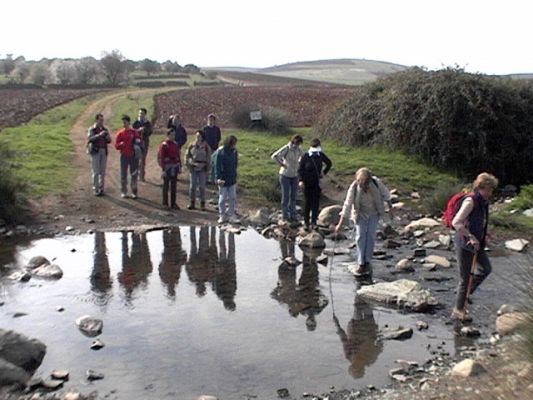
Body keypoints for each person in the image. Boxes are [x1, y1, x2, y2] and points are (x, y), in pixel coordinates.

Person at [451, 172, 498, 322]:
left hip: (478, 243)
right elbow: (456, 222)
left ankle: (466, 293)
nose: (491, 193)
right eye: (489, 189)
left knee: (486, 269)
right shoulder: (470, 201)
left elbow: (479, 221)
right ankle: (458, 310)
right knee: (465, 278)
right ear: (481, 187)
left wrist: (486, 233)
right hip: (465, 244)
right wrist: (470, 236)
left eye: (492, 190)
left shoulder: (483, 201)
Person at [335, 168, 391, 277]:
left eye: (366, 184)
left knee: (370, 236)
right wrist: (340, 224)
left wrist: (391, 207)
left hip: (374, 213)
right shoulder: (354, 187)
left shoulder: (376, 182)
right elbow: (347, 205)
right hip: (360, 214)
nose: (365, 186)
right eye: (362, 184)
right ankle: (361, 263)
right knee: (360, 236)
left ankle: (367, 261)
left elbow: (386, 194)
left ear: (370, 180)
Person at [298, 138, 332, 230]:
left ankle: (314, 222)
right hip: (307, 182)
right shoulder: (305, 156)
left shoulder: (320, 155)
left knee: (316, 203)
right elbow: (300, 169)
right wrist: (301, 180)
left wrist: (324, 173)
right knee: (307, 202)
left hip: (317, 182)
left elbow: (329, 163)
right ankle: (306, 222)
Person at [271, 134, 305, 221]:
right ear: (293, 141)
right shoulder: (286, 148)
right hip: (285, 175)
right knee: (286, 196)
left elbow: (304, 157)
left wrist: (301, 163)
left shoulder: (299, 150)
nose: (297, 145)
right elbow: (275, 156)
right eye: (297, 143)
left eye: (299, 144)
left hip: (295, 176)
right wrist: (282, 164)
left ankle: (293, 214)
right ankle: (285, 215)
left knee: (293, 196)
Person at [115, 115, 143, 199]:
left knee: (134, 175)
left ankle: (134, 192)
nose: (124, 124)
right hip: (124, 156)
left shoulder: (134, 132)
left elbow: (140, 142)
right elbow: (116, 146)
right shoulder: (120, 133)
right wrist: (120, 144)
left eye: (125, 122)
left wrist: (137, 146)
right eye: (123, 122)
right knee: (123, 175)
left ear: (129, 122)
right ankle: (124, 191)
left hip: (133, 157)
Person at [214, 135, 239, 224]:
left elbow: (235, 164)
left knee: (232, 197)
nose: (234, 145)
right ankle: (222, 215)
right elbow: (217, 166)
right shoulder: (221, 152)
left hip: (232, 178)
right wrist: (218, 178)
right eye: (233, 144)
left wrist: (235, 174)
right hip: (223, 178)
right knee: (223, 198)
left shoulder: (235, 152)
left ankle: (231, 214)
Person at [185, 130, 212, 210]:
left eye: (199, 136)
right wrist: (188, 163)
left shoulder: (206, 147)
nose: (197, 138)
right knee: (192, 186)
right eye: (196, 136)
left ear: (202, 137)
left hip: (202, 168)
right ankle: (192, 202)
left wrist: (207, 167)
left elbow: (209, 158)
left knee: (202, 187)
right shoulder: (192, 145)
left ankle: (202, 203)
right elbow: (187, 155)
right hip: (193, 167)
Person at [87, 113, 111, 196]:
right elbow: (90, 138)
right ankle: (96, 188)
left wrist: (107, 137)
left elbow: (109, 140)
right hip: (95, 151)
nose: (102, 122)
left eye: (102, 120)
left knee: (102, 172)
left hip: (103, 151)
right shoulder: (92, 129)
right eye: (100, 120)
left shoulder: (105, 129)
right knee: (96, 171)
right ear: (96, 120)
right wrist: (99, 135)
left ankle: (101, 189)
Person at [157, 129, 181, 209]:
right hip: (167, 168)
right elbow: (162, 157)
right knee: (166, 186)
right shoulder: (164, 145)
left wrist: (179, 166)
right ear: (168, 135)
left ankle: (173, 203)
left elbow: (178, 155)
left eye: (174, 135)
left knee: (174, 186)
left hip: (174, 167)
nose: (173, 137)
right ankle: (165, 203)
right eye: (171, 135)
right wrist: (163, 169)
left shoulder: (175, 144)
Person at [132, 108, 153, 181]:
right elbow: (132, 132)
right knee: (136, 159)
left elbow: (150, 132)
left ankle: (142, 176)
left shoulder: (147, 123)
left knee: (143, 160)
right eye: (140, 113)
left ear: (145, 114)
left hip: (144, 143)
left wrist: (145, 130)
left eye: (142, 113)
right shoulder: (136, 122)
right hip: (136, 143)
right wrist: (138, 130)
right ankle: (136, 174)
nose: (140, 115)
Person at [203, 114, 222, 182]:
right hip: (206, 148)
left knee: (214, 164)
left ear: (214, 121)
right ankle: (206, 178)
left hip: (214, 148)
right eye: (209, 119)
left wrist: (216, 144)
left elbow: (219, 138)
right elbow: (203, 138)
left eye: (212, 120)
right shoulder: (205, 129)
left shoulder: (217, 129)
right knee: (207, 163)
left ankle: (213, 179)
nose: (211, 121)